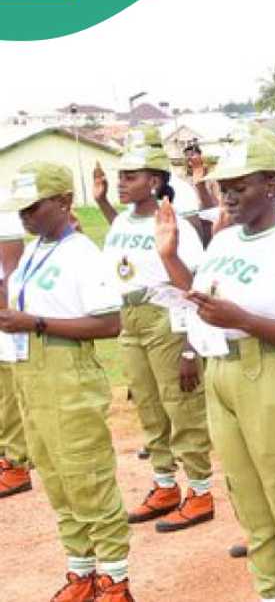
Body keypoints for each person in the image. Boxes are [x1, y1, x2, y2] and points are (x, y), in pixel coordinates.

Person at [187, 134, 275, 602]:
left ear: (271, 183)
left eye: (239, 185)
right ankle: (270, 593)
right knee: (249, 501)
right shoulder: (223, 239)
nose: (227, 195)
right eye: (222, 186)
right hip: (222, 373)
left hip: (273, 373)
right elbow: (203, 298)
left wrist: (244, 320)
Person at [1, 161, 136, 601]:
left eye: (33, 206)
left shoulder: (81, 253)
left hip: (67, 372)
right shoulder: (36, 248)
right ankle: (82, 571)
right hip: (31, 372)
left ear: (63, 201)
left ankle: (114, 577)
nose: (25, 216)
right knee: (57, 477)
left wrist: (34, 322)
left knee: (87, 474)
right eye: (20, 209)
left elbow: (109, 324)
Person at [96, 140, 216, 533]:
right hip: (129, 317)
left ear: (155, 180)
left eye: (131, 177)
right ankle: (165, 484)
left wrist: (187, 347)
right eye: (121, 177)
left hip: (166, 315)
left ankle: (199, 490)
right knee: (148, 404)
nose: (122, 183)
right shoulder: (119, 221)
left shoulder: (173, 222)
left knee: (181, 404)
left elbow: (192, 285)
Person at [0, 197, 30, 499]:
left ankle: (16, 463)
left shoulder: (5, 217)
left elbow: (10, 274)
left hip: (5, 321)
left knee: (9, 398)